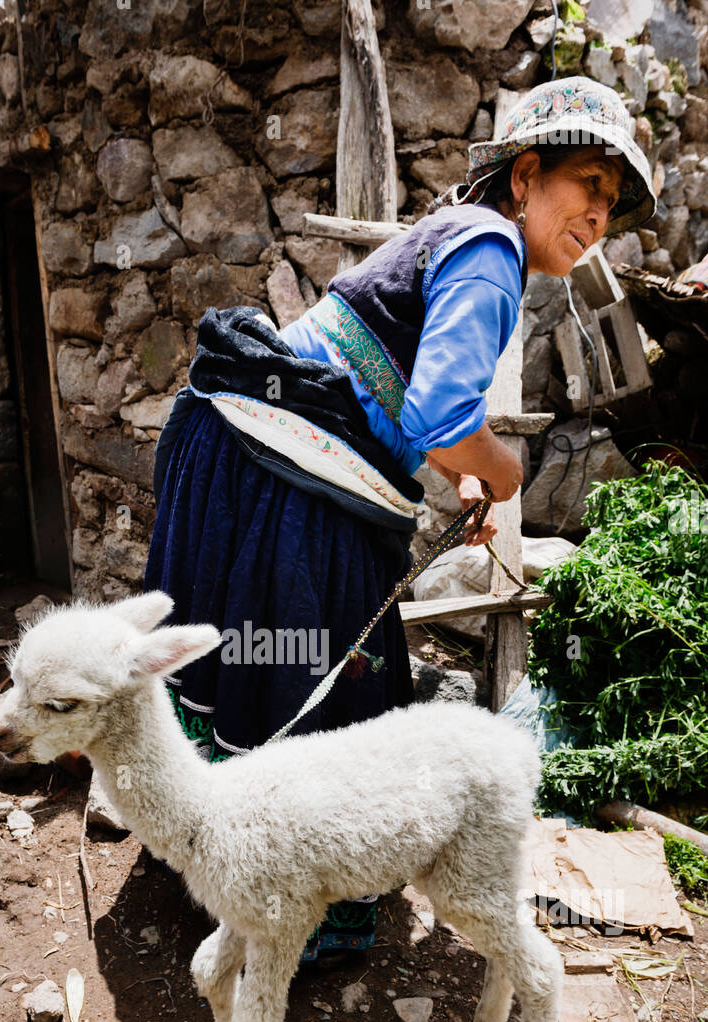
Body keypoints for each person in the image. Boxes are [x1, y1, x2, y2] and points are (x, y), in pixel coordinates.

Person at [143, 76, 655, 967]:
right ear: (527, 174)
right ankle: (283, 916)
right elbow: (437, 419)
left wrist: (465, 471)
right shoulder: (493, 250)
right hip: (285, 482)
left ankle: (214, 857)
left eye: (613, 206)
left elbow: (412, 398)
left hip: (235, 455)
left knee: (261, 661)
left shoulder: (462, 239)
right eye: (589, 189)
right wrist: (503, 473)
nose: (600, 218)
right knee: (328, 681)